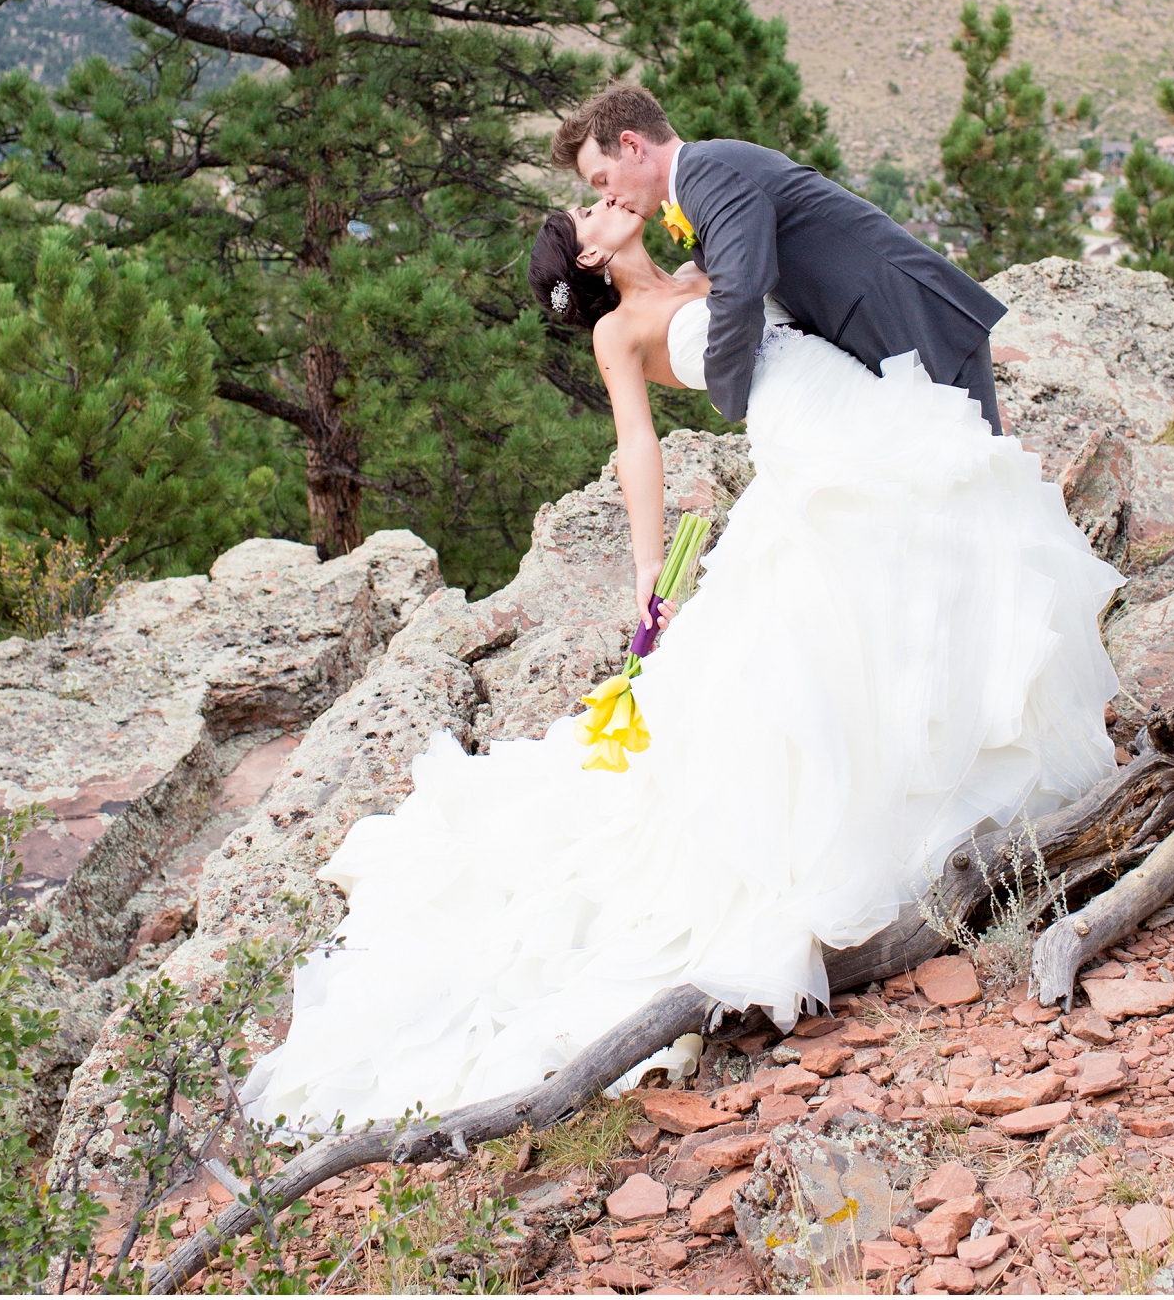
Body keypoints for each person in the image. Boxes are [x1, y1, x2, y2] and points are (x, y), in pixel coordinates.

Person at [241, 160, 1120, 1137]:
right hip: (813, 439)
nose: (607, 200)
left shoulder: (702, 263)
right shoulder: (620, 330)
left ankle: (968, 738)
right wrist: (649, 588)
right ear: (586, 254)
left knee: (933, 549)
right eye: (588, 208)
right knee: (852, 598)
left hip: (850, 404)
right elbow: (637, 453)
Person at [551, 82, 1009, 433]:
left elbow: (741, 288)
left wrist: (727, 395)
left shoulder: (707, 173)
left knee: (982, 487)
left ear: (632, 145)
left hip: (913, 319)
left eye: (601, 179)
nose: (607, 196)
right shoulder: (699, 182)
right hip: (885, 332)